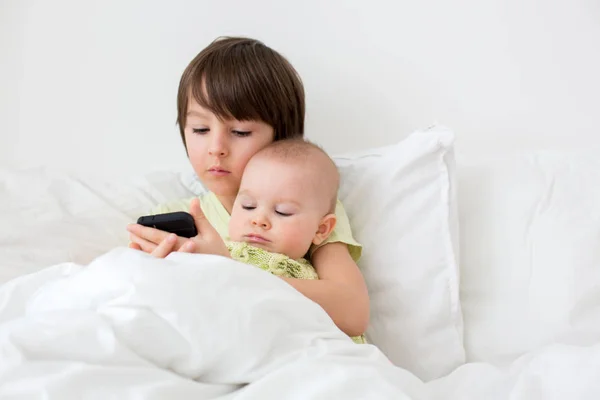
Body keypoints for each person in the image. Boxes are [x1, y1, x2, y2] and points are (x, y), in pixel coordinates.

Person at [126, 36, 369, 338]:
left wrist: (230, 270)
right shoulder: (174, 218)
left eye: (240, 131)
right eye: (200, 129)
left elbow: (353, 313)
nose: (216, 148)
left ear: (281, 137)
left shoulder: (307, 205)